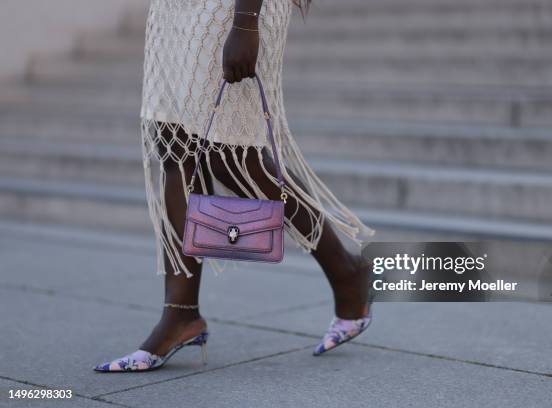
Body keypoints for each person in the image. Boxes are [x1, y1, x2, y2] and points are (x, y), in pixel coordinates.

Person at [95, 0, 374, 372]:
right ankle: (180, 314)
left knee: (229, 155)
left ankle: (346, 272)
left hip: (229, 8)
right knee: (172, 143)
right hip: (171, 9)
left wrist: (245, 21)